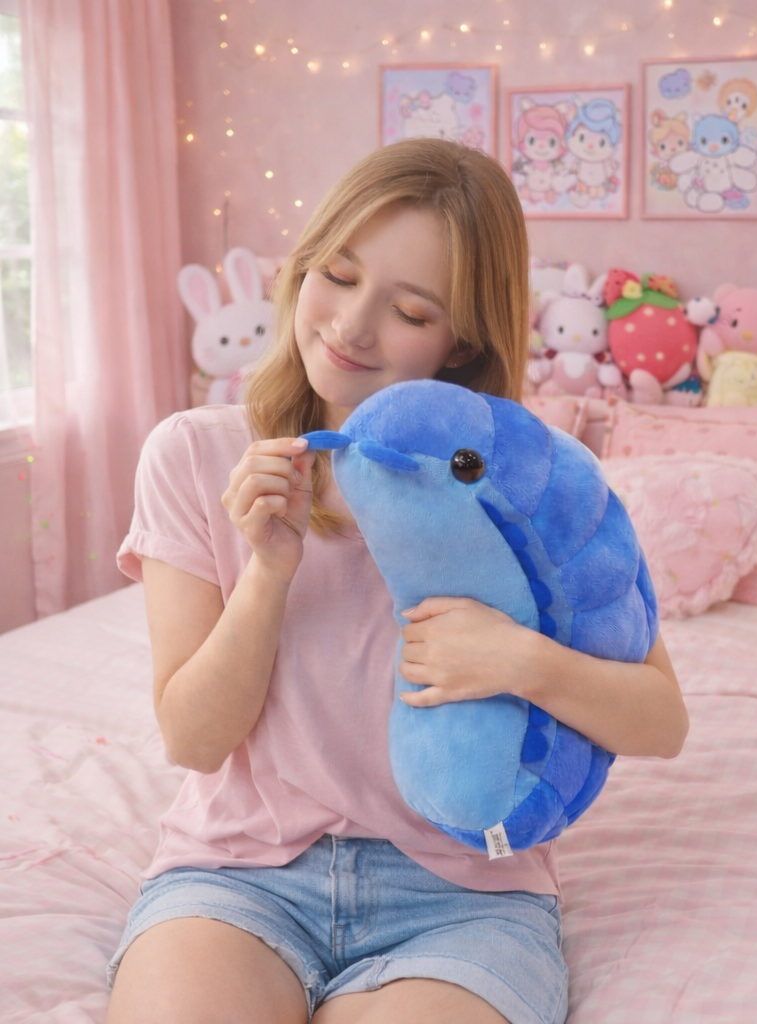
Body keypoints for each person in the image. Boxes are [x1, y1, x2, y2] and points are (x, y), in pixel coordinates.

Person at [106, 138, 688, 1024]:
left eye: (410, 310)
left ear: (462, 345)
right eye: (337, 275)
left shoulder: (525, 483)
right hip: (238, 880)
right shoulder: (193, 455)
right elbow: (191, 738)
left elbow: (662, 720)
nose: (350, 325)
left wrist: (521, 660)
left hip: (467, 902)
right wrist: (268, 570)